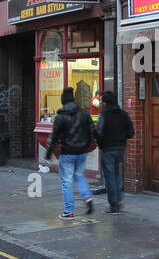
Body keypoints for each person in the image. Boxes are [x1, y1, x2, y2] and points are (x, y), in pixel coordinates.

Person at [46, 86, 94, 219]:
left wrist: (49, 152)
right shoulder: (84, 113)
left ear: (63, 100)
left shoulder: (61, 116)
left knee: (66, 181)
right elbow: (91, 131)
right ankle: (87, 197)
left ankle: (69, 211)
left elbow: (54, 136)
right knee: (79, 176)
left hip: (67, 152)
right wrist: (87, 145)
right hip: (81, 151)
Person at [94, 90, 134, 214]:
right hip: (121, 148)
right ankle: (119, 199)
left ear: (105, 102)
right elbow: (131, 132)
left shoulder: (104, 115)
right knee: (116, 175)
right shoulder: (123, 114)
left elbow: (99, 133)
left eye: (102, 101)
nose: (100, 103)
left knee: (109, 177)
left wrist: (99, 141)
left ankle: (114, 205)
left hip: (108, 149)